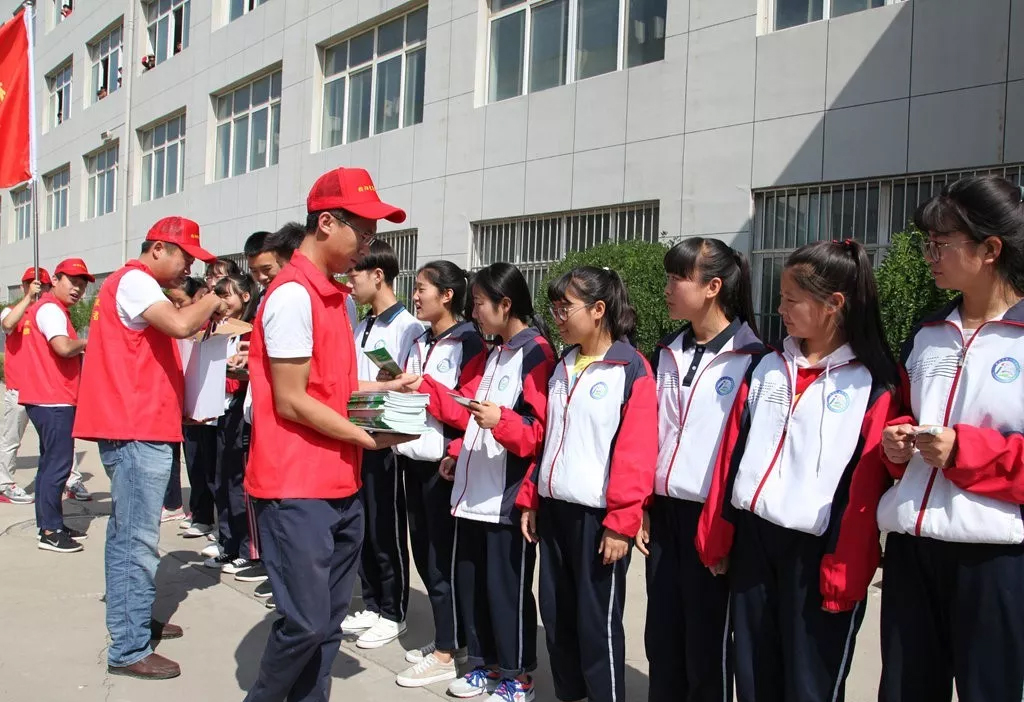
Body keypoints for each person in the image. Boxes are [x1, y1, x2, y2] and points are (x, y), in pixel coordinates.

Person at [697, 239, 899, 702]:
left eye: (792, 299)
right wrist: (718, 535)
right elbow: (731, 455)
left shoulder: (873, 383)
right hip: (754, 541)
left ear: (834, 304)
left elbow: (864, 489)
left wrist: (845, 569)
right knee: (753, 674)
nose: (780, 309)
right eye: (780, 297)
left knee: (809, 683)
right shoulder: (767, 367)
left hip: (817, 552)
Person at [242, 167, 413, 702]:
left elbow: (332, 385)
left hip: (340, 483)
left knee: (328, 624)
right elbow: (292, 399)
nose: (368, 244)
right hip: (296, 487)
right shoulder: (294, 296)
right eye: (362, 232)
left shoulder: (335, 298)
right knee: (305, 623)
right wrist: (366, 438)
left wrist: (386, 388)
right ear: (326, 223)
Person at [878, 176, 1024, 702]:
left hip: (994, 557)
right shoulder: (927, 334)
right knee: (905, 688)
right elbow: (904, 414)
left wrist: (964, 450)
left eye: (941, 244)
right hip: (912, 547)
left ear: (990, 250)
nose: (930, 257)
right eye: (928, 244)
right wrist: (895, 446)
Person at [73, 216, 227, 681]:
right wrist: (215, 298)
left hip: (142, 426)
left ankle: (135, 619)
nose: (188, 269)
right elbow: (180, 326)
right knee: (135, 541)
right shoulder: (136, 281)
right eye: (186, 258)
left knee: (131, 536)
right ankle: (128, 646)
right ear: (158, 248)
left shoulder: (137, 286)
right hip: (136, 430)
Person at [637, 238, 763, 702]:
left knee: (707, 642)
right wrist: (643, 504)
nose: (667, 288)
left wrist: (724, 527)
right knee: (662, 634)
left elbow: (745, 453)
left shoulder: (753, 360)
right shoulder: (667, 351)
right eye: (668, 277)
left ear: (713, 287)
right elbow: (650, 434)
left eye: (678, 279)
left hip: (713, 517)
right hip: (664, 513)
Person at [526, 266, 658, 702]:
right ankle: (571, 694)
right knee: (557, 616)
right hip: (555, 511)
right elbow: (548, 438)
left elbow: (637, 452)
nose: (557, 317)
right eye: (554, 308)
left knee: (596, 622)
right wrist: (532, 498)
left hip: (599, 520)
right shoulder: (562, 364)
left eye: (565, 307)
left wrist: (622, 521)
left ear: (598, 309)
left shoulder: (630, 368)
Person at [433, 262, 556, 702]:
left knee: (507, 592)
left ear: (506, 304)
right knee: (475, 587)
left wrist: (500, 421)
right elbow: (473, 411)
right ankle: (485, 665)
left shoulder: (536, 353)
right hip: (473, 492)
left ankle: (517, 676)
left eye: (479, 304)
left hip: (506, 498)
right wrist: (457, 452)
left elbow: (539, 431)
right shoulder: (497, 351)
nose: (474, 313)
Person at [391, 260, 487, 688]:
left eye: (422, 288)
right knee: (425, 558)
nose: (415, 296)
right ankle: (451, 637)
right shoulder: (420, 339)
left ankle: (447, 653)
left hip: (443, 468)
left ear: (447, 295)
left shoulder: (468, 342)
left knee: (442, 562)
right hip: (411, 459)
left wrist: (425, 389)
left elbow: (467, 410)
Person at [340, 240, 424, 649]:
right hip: (357, 435)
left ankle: (394, 611)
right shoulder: (363, 325)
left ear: (378, 275)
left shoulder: (409, 327)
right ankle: (372, 603)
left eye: (354, 273)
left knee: (387, 528)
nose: (349, 282)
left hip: (387, 441)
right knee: (364, 526)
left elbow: (413, 383)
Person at [17, 259, 93, 553]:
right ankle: (50, 531)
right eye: (72, 282)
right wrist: (86, 343)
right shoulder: (50, 310)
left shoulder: (50, 309)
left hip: (48, 398)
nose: (78, 289)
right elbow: (61, 346)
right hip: (53, 398)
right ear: (57, 280)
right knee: (58, 466)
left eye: (82, 285)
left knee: (50, 465)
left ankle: (52, 524)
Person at [203, 274, 258, 574]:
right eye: (219, 295)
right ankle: (228, 542)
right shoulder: (222, 328)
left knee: (238, 481)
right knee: (222, 480)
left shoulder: (251, 330)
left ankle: (247, 549)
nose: (222, 301)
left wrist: (238, 369)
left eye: (227, 295)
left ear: (245, 296)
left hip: (239, 407)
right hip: (220, 408)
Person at [1, 267, 49, 504]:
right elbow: (7, 324)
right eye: (30, 284)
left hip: (46, 391)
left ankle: (69, 480)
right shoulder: (13, 311)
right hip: (19, 390)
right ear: (23, 287)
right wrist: (29, 298)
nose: (36, 287)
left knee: (56, 440)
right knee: (11, 440)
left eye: (41, 285)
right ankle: (4, 484)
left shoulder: (50, 313)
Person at [163, 276, 208, 523]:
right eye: (172, 302)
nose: (176, 307)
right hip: (174, 398)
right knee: (177, 455)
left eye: (181, 302)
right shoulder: (170, 324)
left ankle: (201, 513)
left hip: (197, 401)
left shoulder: (202, 327)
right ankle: (174, 504)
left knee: (198, 458)